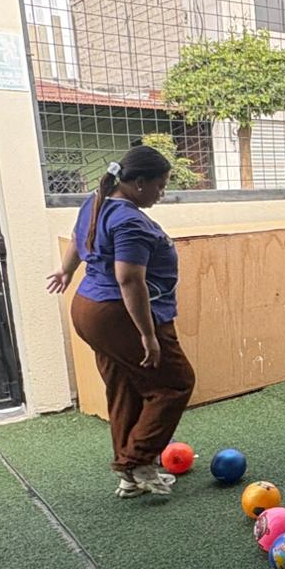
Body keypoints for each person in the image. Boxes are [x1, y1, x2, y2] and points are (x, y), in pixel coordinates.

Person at [47, 146, 195, 497]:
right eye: (159, 185)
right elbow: (129, 280)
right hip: (118, 314)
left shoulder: (98, 200)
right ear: (139, 183)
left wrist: (66, 271)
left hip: (89, 308)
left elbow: (78, 237)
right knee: (175, 384)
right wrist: (148, 335)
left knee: (125, 386)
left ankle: (129, 475)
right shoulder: (129, 221)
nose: (162, 193)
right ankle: (139, 462)